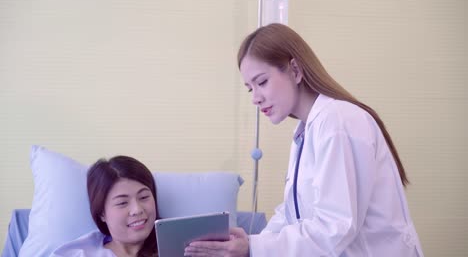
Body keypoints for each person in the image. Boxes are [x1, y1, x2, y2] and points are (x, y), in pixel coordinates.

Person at [184, 23, 424, 257]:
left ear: (295, 70)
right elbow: (292, 215)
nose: (255, 98)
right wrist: (250, 243)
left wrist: (253, 249)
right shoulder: (306, 130)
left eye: (262, 82)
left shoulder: (338, 121)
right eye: (250, 88)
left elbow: (335, 227)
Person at [51, 156, 159, 257]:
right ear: (102, 213)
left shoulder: (173, 242)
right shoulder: (80, 253)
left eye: (144, 197)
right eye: (122, 203)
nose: (137, 210)